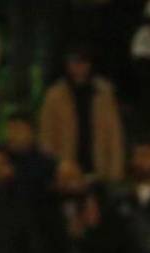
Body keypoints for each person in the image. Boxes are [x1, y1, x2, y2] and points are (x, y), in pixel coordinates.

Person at [38, 45, 125, 184]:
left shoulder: (104, 92)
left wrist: (115, 170)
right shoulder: (54, 95)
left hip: (98, 166)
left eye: (83, 62)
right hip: (66, 169)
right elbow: (47, 135)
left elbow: (114, 133)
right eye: (74, 62)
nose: (78, 67)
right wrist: (53, 168)